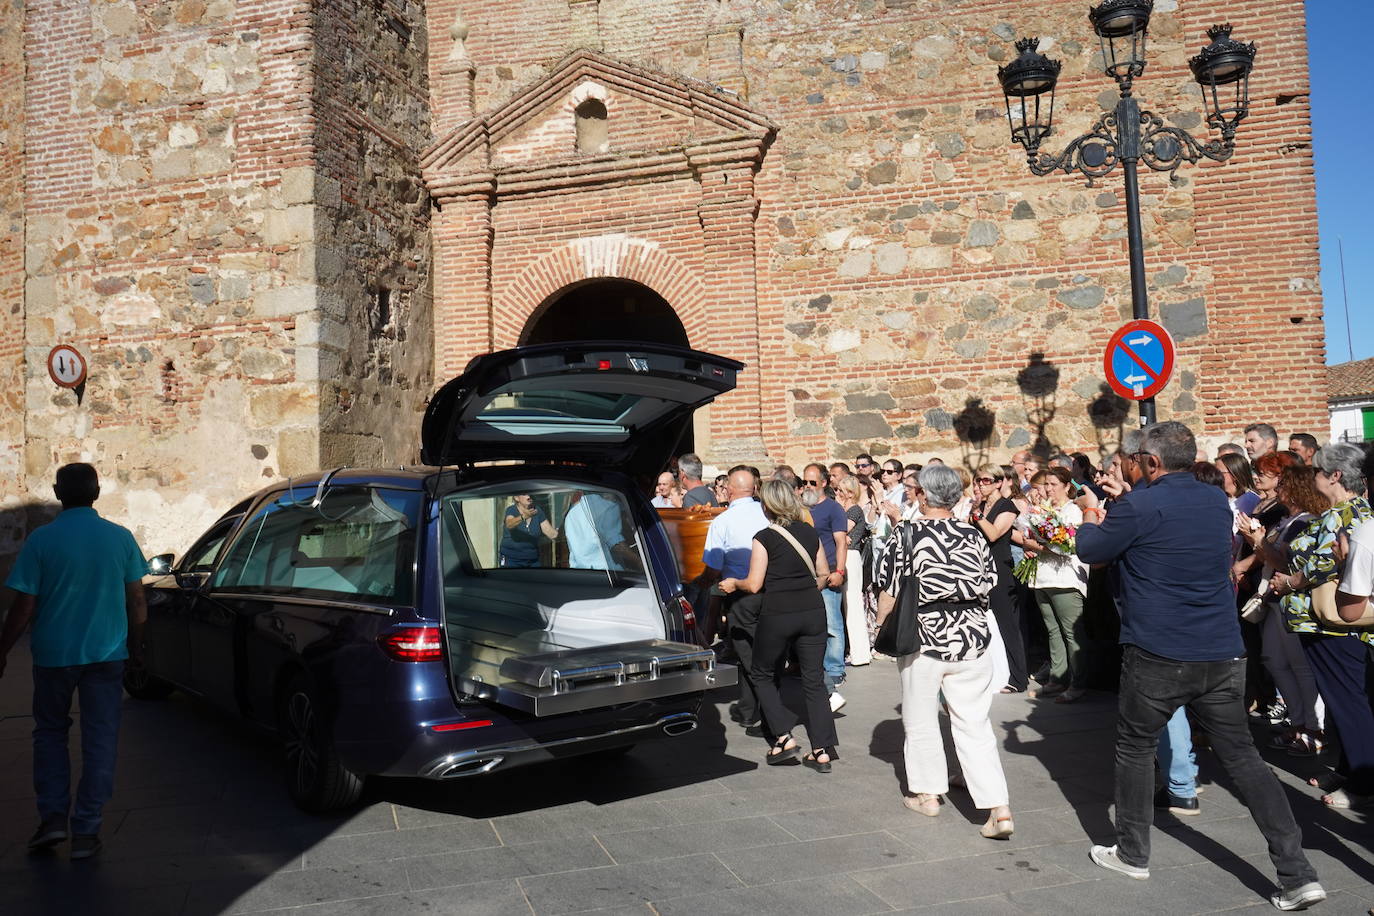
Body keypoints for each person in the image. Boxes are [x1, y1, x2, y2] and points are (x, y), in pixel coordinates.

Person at [1077, 422, 1325, 911]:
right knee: (1244, 759)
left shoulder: (1138, 505)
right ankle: (1298, 872)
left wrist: (1091, 513)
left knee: (1133, 748)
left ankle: (1132, 852)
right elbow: (1165, 530)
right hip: (1220, 649)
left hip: (1157, 651)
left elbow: (1090, 549)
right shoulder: (1214, 501)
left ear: (1151, 463)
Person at [0, 463, 149, 860]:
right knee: (100, 740)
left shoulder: (41, 541)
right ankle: (86, 829)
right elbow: (137, 601)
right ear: (97, 492)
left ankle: (52, 821)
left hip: (53, 656)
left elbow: (24, 604)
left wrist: (2, 650)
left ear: (57, 492)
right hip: (106, 654)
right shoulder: (120, 539)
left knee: (49, 733)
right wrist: (138, 649)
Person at [874, 464, 1015, 839]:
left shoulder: (905, 534)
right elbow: (988, 583)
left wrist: (882, 626)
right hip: (972, 636)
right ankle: (998, 808)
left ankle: (928, 794)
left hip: (923, 638)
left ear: (922, 495)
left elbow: (887, 589)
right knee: (974, 724)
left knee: (920, 721)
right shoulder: (973, 534)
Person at [1270, 442, 1373, 809]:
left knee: (1347, 701)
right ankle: (1349, 768)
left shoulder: (1345, 514)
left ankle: (1363, 782)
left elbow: (1326, 564)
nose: (1312, 476)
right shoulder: (1345, 511)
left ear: (1335, 476)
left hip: (1333, 625)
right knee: (1341, 699)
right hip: (1323, 623)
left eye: (1317, 470)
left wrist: (1289, 582)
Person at [718, 480, 837, 772]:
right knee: (813, 679)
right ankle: (822, 750)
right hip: (812, 611)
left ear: (767, 506)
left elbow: (754, 583)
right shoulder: (809, 532)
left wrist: (734, 583)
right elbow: (823, 574)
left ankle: (783, 737)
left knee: (761, 672)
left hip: (778, 613)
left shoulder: (764, 537)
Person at [1238, 466, 1327, 757]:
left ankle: (1313, 729)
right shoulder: (1290, 520)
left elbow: (1286, 563)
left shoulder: (1306, 522)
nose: (1280, 491)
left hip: (1294, 600)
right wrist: (1258, 541)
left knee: (1299, 666)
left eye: (1285, 486)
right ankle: (1299, 721)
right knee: (1274, 661)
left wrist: (1259, 541)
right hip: (1276, 599)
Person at [696, 469, 769, 732]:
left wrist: (702, 582)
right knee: (761, 651)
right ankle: (750, 708)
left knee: (748, 655)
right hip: (770, 590)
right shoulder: (768, 514)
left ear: (729, 490)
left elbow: (713, 566)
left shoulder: (724, 521)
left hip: (741, 593)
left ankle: (769, 713)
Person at [1022, 467, 1089, 702]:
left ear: (1067, 486)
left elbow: (1065, 547)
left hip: (1065, 579)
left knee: (1071, 633)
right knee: (1052, 631)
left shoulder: (1073, 511)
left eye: (1053, 484)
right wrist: (1030, 547)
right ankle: (1057, 678)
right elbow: (1036, 539)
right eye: (1046, 484)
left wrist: (1035, 545)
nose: (1048, 489)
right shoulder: (1044, 510)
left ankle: (1078, 682)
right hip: (1043, 576)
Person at [970, 465, 1027, 693]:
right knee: (986, 622)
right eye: (978, 480)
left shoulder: (1007, 505)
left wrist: (977, 516)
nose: (981, 485)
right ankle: (994, 672)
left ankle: (1018, 678)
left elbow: (994, 533)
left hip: (1000, 570)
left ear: (998, 482)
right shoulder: (982, 506)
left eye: (986, 480)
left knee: (1008, 624)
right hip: (981, 568)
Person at [802, 463, 849, 711]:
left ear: (824, 483)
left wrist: (839, 571)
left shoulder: (833, 509)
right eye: (805, 482)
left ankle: (834, 670)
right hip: (808, 575)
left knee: (832, 624)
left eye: (812, 482)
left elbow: (842, 542)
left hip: (830, 571)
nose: (807, 486)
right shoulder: (801, 508)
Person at [834, 476, 871, 667]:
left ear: (849, 493)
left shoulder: (854, 510)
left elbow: (841, 531)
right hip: (847, 555)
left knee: (853, 605)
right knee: (849, 606)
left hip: (851, 557)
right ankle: (856, 652)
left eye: (840, 490)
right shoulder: (847, 510)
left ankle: (860, 654)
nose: (837, 494)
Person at [499, 493, 558, 567]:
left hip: (532, 560)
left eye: (530, 493)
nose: (529, 496)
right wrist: (523, 517)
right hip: (511, 559)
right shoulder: (511, 510)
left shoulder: (537, 511)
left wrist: (564, 532)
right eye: (524, 494)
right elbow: (509, 524)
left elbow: (551, 533)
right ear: (517, 498)